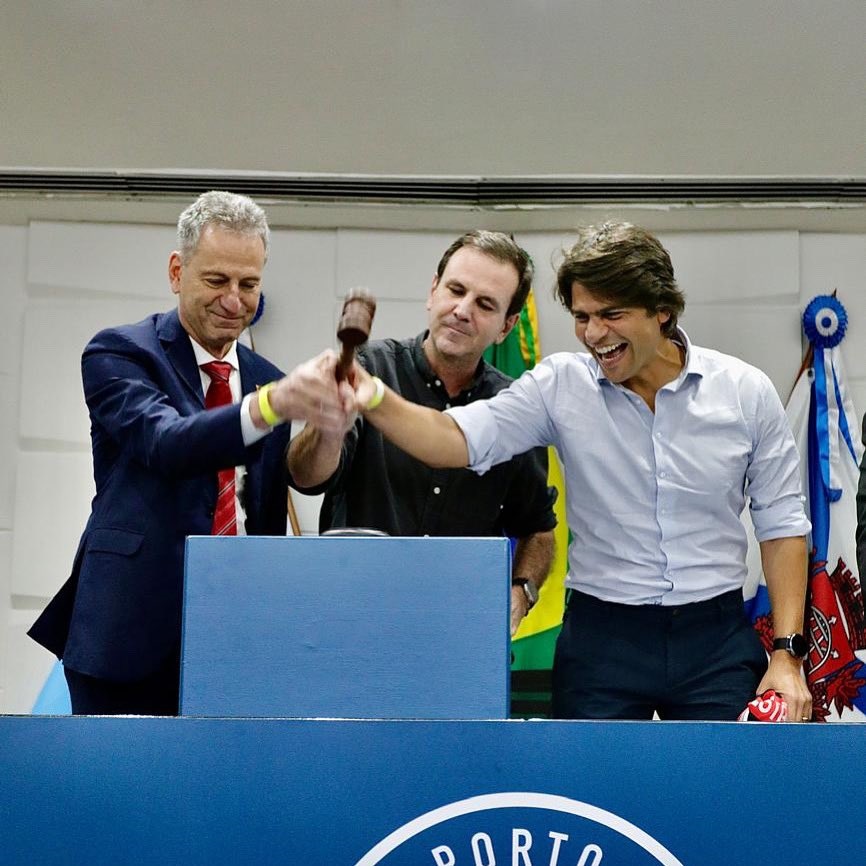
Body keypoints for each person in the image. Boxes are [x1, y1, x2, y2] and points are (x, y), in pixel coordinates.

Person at [347, 221, 813, 722]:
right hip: (601, 642)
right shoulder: (559, 386)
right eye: (582, 316)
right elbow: (453, 438)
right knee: (589, 798)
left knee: (722, 792)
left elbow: (782, 523)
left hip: (715, 638)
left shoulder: (745, 392)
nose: (594, 334)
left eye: (612, 314)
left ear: (663, 311)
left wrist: (787, 654)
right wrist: (368, 394)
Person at [28, 191, 354, 716]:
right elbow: (166, 443)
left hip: (244, 633)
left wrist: (332, 427)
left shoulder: (266, 380)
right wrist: (273, 404)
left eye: (249, 284)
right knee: (123, 790)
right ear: (177, 271)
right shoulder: (120, 353)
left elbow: (304, 482)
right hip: (130, 633)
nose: (234, 300)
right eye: (216, 281)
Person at [288, 231, 557, 635]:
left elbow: (538, 529)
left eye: (485, 304)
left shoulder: (514, 409)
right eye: (455, 290)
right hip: (349, 615)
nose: (462, 310)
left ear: (507, 326)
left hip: (455, 629)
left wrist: (521, 593)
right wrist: (327, 431)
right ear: (433, 291)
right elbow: (305, 478)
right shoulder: (368, 368)